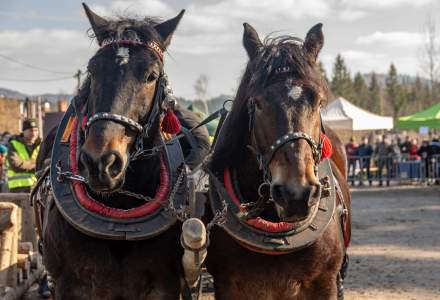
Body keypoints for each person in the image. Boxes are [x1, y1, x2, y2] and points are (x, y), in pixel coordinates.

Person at [6, 119, 41, 193]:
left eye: (36, 130)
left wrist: (26, 163)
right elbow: (16, 165)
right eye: (31, 130)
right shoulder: (14, 144)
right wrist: (37, 164)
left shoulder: (41, 145)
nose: (34, 133)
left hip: (36, 186)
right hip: (17, 187)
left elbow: (46, 164)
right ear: (24, 131)